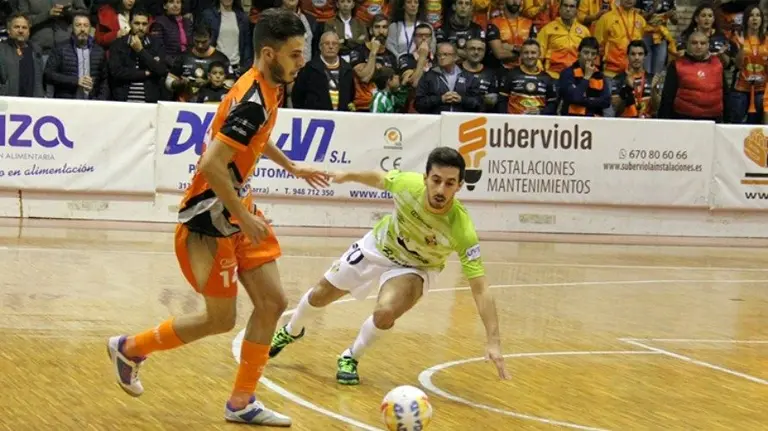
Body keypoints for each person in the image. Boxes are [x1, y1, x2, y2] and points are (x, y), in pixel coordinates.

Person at [106, 8, 329, 427]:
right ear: (269, 53)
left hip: (236, 206)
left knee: (272, 303)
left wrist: (292, 167)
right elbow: (211, 164)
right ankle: (130, 347)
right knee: (219, 319)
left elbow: (254, 140)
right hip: (210, 217)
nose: (303, 62)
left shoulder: (268, 85)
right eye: (296, 55)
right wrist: (244, 217)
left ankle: (242, 402)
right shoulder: (253, 100)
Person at [269, 146, 510, 385]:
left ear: (459, 186)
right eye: (436, 180)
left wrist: (494, 340)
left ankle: (350, 357)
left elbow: (480, 288)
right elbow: (379, 178)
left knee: (385, 313)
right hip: (379, 245)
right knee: (320, 295)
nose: (440, 189)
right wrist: (348, 175)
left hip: (416, 267)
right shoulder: (407, 184)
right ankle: (292, 330)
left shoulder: (462, 229)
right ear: (425, 178)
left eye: (449, 183)